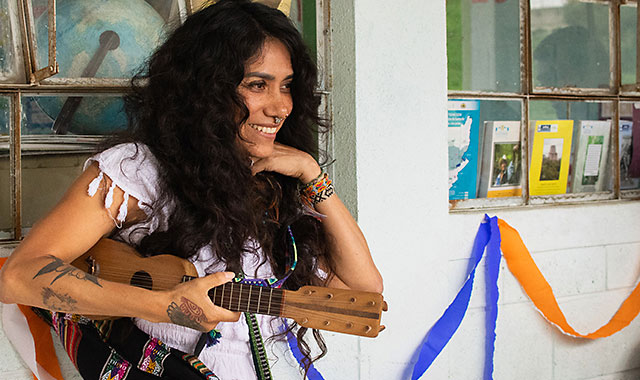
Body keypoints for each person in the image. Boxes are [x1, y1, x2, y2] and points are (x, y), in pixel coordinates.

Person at [0, 1, 383, 379]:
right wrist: (163, 305)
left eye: (286, 86)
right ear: (205, 89)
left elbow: (365, 292)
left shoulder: (278, 184)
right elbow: (18, 276)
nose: (280, 107)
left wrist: (312, 175)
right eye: (257, 85)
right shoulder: (138, 170)